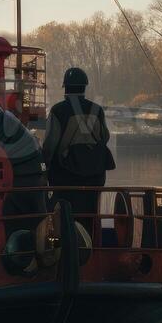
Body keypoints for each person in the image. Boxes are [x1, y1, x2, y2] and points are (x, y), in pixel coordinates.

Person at [42, 67, 117, 234]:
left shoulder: (58, 111)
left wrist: (43, 167)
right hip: (94, 177)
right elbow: (104, 137)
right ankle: (90, 244)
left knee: (64, 217)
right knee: (90, 215)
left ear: (65, 88)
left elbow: (49, 145)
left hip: (64, 178)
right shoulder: (97, 110)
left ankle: (67, 246)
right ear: (85, 87)